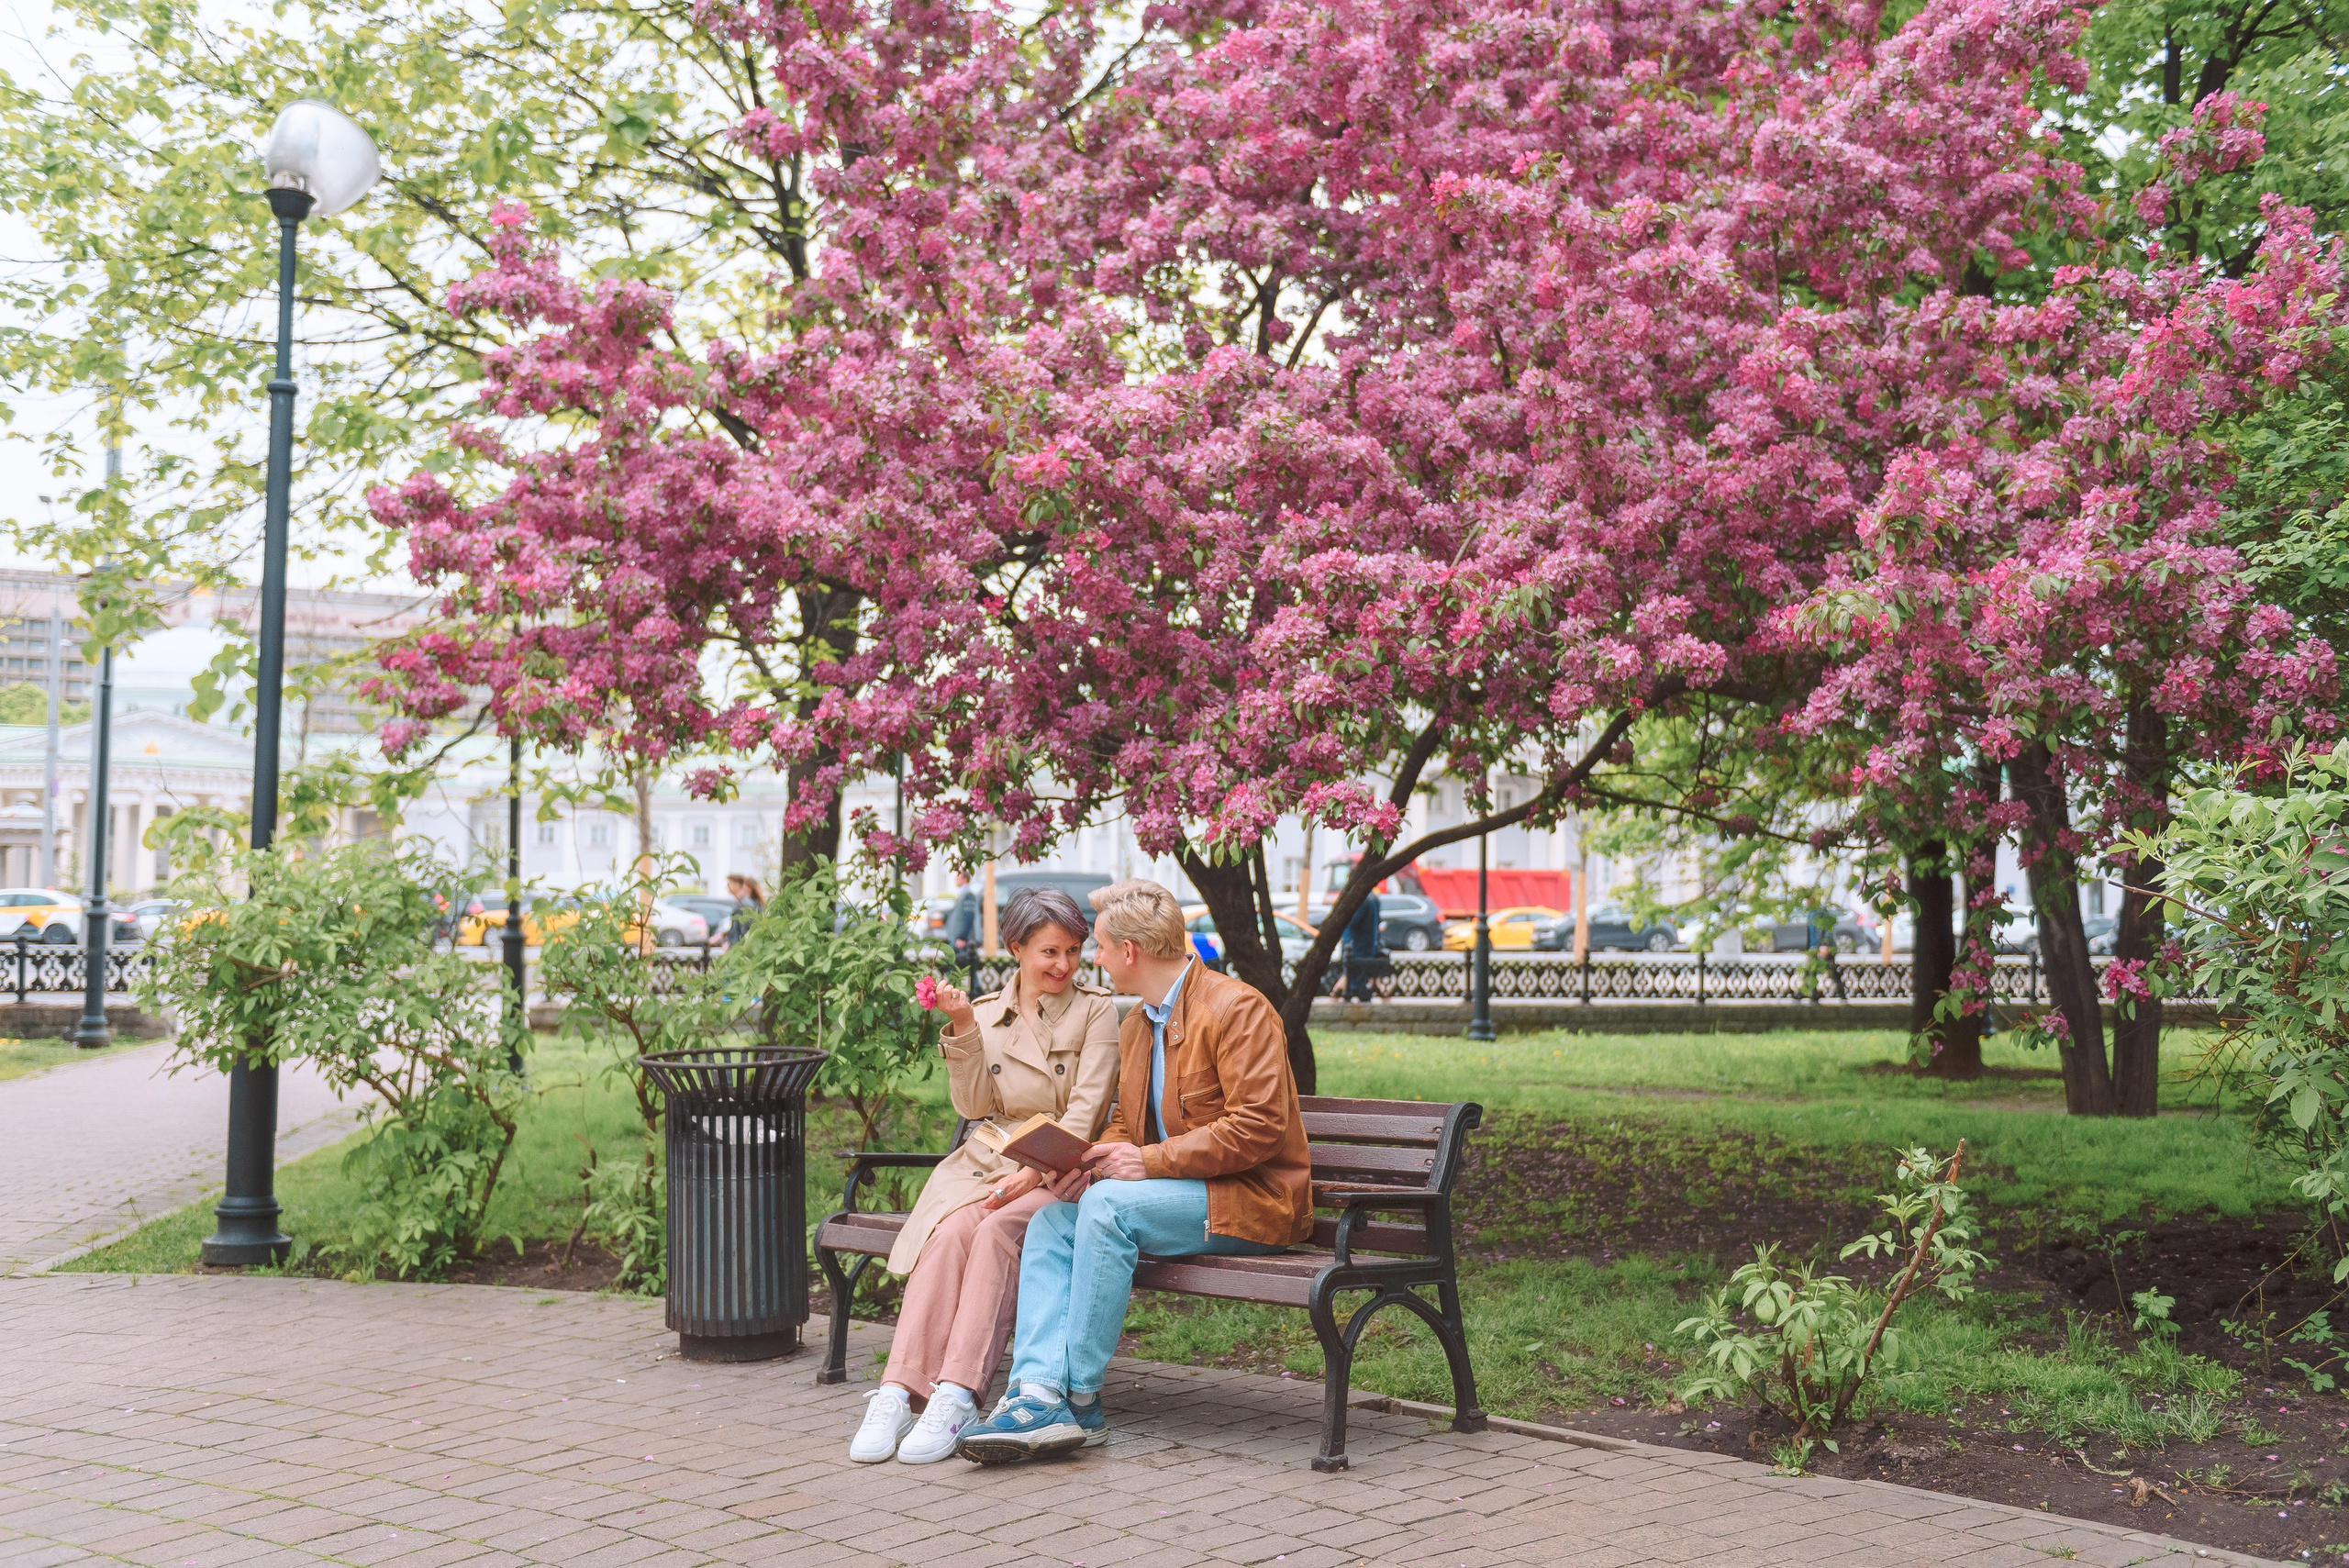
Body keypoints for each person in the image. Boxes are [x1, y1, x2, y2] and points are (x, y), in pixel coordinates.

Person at [955, 878, 1312, 1464]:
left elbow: (1257, 1129)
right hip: (1174, 1196)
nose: (1089, 959)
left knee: (1108, 1208)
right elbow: (1126, 1122)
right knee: (1053, 1219)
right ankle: (1037, 1389)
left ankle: (1078, 1397)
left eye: (1096, 946)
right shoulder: (1139, 1024)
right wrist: (1086, 1165)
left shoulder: (1236, 1009)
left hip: (1251, 1199)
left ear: (1130, 951)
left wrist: (1144, 1163)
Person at [847, 886, 1118, 1466]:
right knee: (948, 1236)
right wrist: (965, 1027)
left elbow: (1086, 1109)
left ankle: (959, 1393)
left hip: (1062, 1169)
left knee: (995, 1234)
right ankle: (900, 1390)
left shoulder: (1096, 1010)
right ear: (1016, 948)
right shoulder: (990, 1010)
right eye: (1049, 951)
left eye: (1074, 950)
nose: (1064, 965)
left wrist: (1036, 1170)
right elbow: (974, 1106)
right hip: (989, 1161)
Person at [1342, 890, 1384, 1001]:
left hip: (1356, 945)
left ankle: (1345, 993)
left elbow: (1352, 922)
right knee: (1360, 976)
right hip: (1369, 944)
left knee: (1353, 977)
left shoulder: (1361, 899)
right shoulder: (1374, 898)